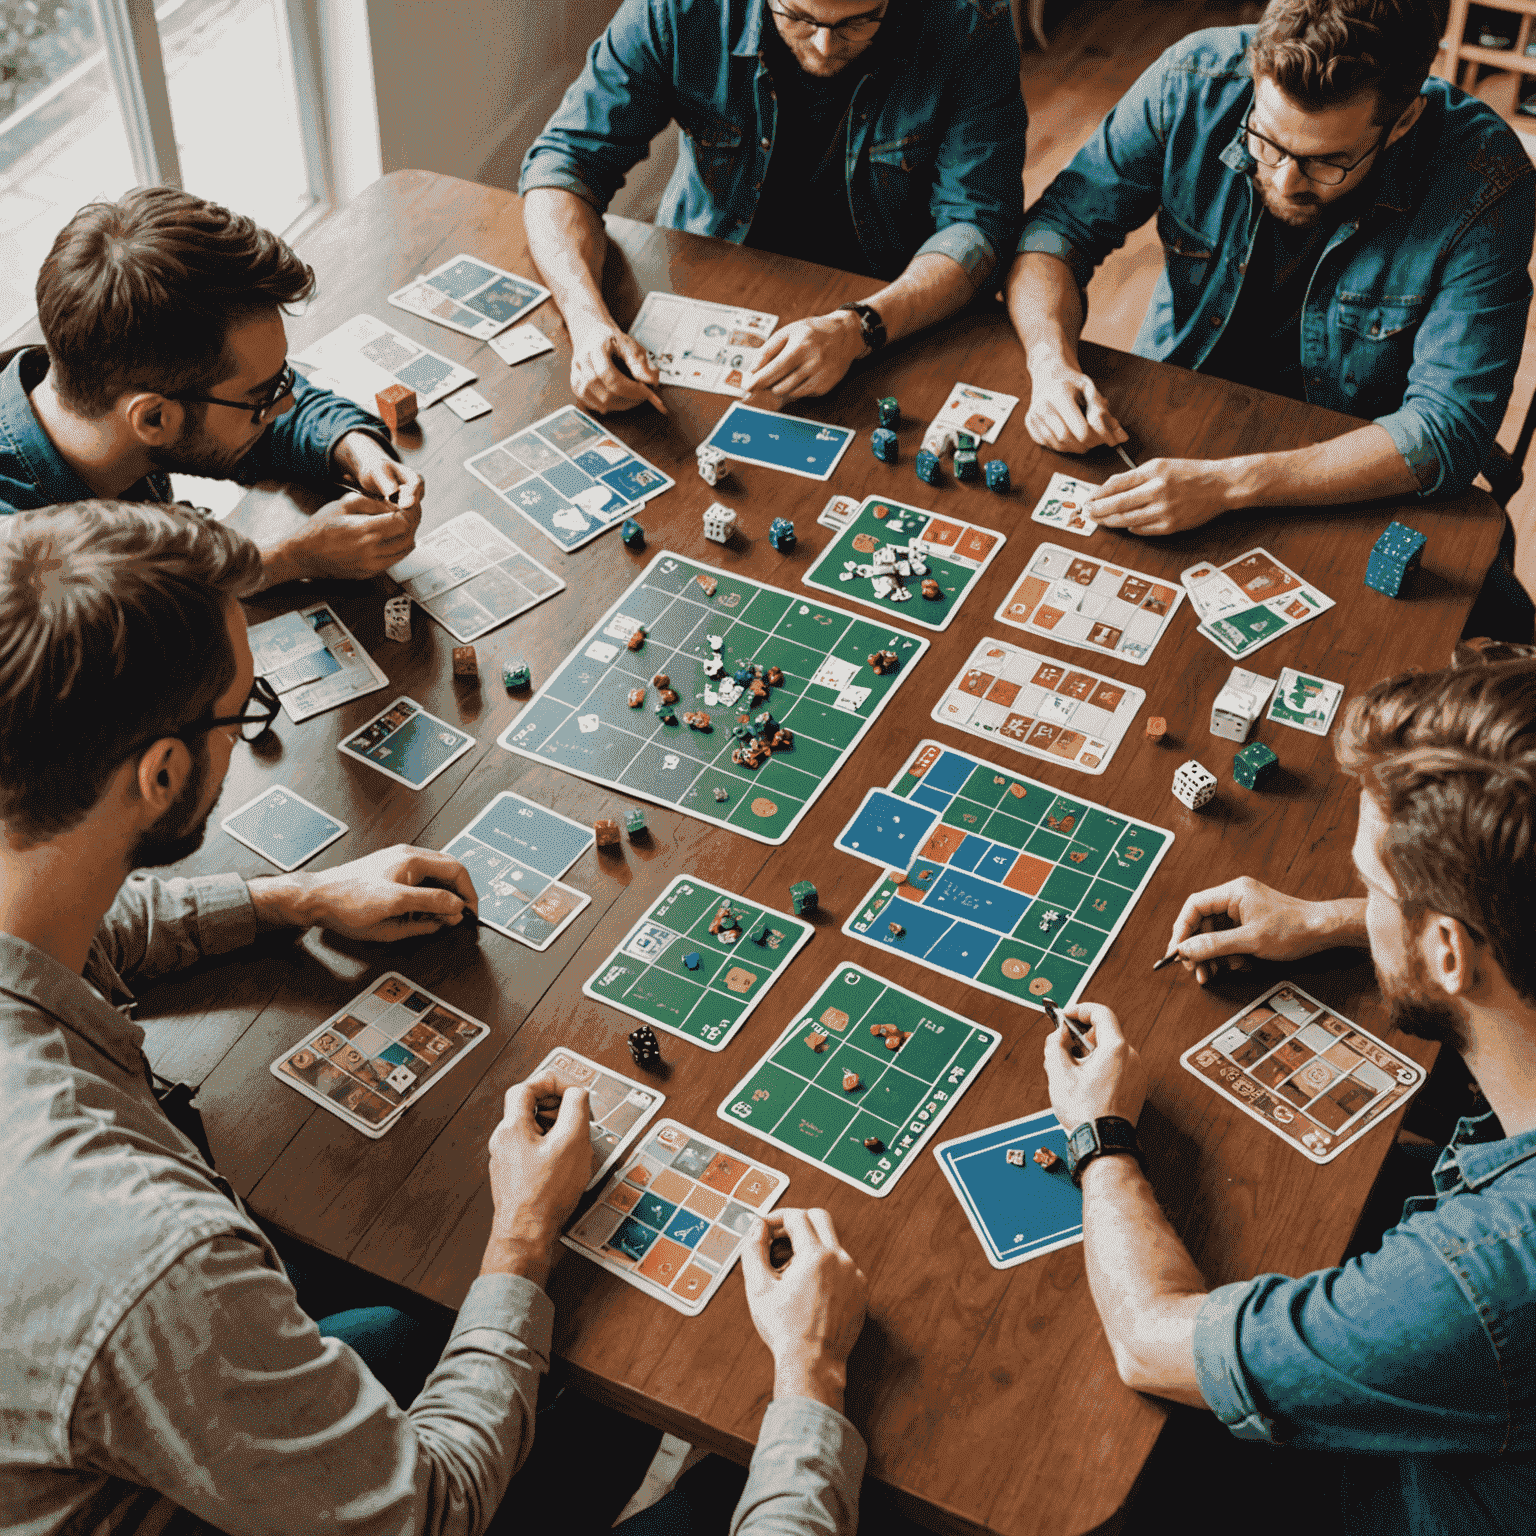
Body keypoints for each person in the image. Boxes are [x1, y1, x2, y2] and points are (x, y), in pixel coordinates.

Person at [0, 499, 873, 1536]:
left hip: (117, 1425)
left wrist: (298, 897)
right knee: (736, 1473)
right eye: (247, 712)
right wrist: (523, 1234)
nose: (248, 733)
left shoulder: (30, 868)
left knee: (422, 1339)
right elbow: (431, 1513)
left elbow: (91, 918)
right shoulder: (157, 1260)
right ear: (164, 774)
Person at [1042, 657, 1536, 1534]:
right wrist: (1331, 921)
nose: (1363, 900)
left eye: (1372, 886)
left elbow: (1149, 1341)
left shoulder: (1479, 1280)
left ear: (1451, 951)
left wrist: (1099, 1134)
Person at [1006, 0, 1536, 608]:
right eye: (1266, 141)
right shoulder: (1194, 81)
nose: (1285, 180)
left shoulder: (1484, 177)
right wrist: (1050, 361)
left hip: (1356, 467)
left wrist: (1232, 485)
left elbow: (1448, 427)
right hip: (1184, 410)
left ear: (1403, 121)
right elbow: (1055, 231)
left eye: (1328, 160)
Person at [520, 0, 1029, 411]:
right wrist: (587, 320)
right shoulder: (677, 9)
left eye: (859, 21)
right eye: (800, 18)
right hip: (714, 277)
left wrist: (860, 326)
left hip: (894, 302)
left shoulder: (969, 22)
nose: (827, 46)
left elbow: (978, 224)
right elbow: (566, 164)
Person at [0, 186, 426, 586]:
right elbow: (135, 613)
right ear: (153, 418)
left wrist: (351, 446)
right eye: (263, 398)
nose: (287, 403)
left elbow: (235, 420)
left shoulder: (100, 383)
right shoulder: (21, 571)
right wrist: (288, 558)